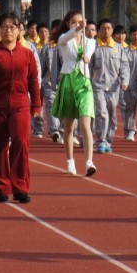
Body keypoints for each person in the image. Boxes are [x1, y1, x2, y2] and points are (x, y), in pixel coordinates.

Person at [0, 12, 42, 203]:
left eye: (12, 27)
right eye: (3, 27)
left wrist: (36, 104)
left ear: (19, 30)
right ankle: (2, 188)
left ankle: (20, 187)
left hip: (21, 105)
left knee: (21, 143)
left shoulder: (28, 54)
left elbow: (33, 80)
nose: (8, 30)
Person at [50, 10, 97, 176]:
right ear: (68, 24)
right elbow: (64, 38)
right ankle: (70, 161)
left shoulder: (89, 41)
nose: (77, 25)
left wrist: (87, 57)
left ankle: (89, 161)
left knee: (85, 125)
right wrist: (76, 29)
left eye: (80, 22)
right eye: (73, 22)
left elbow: (89, 52)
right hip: (68, 82)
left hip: (83, 84)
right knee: (69, 127)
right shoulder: (64, 39)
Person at [90, 18, 127, 154]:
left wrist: (124, 81)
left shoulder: (118, 48)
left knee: (111, 115)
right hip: (98, 85)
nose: (106, 31)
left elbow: (124, 66)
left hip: (113, 87)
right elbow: (89, 67)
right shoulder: (93, 47)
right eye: (103, 28)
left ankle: (109, 140)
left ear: (112, 30)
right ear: (98, 31)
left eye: (109, 28)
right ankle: (101, 140)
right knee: (101, 113)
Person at [120, 25, 137, 142]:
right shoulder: (125, 51)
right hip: (131, 85)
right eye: (134, 34)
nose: (136, 37)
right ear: (130, 36)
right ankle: (130, 131)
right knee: (130, 109)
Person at [40, 20, 62, 143]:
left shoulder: (67, 46)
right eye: (56, 30)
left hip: (64, 83)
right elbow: (42, 67)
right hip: (49, 84)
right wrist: (41, 80)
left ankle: (63, 130)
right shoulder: (47, 48)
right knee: (52, 107)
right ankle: (55, 131)